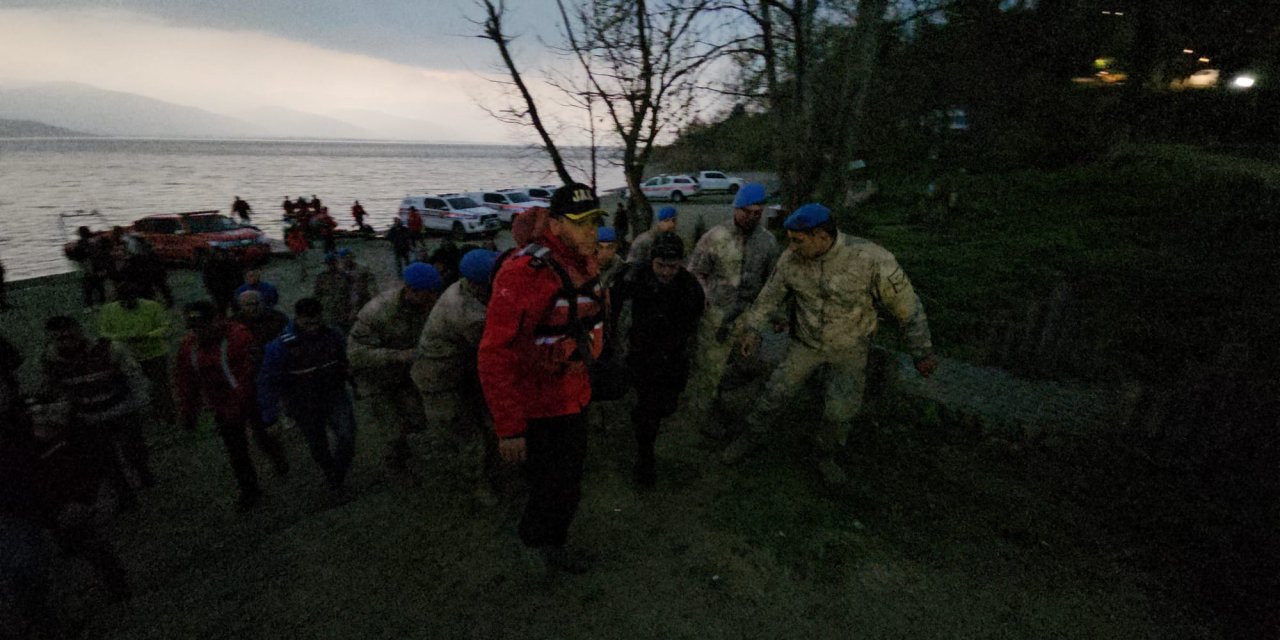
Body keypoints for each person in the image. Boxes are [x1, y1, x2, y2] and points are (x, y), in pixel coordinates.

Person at [722, 204, 938, 486]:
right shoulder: (791, 259)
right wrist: (751, 330)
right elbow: (768, 299)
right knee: (775, 392)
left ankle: (826, 455)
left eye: (798, 240)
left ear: (822, 236)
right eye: (790, 239)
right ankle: (749, 437)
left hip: (850, 348)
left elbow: (908, 309)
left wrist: (921, 352)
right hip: (806, 344)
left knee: (840, 410)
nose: (792, 247)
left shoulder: (871, 260)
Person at [478, 182, 607, 574]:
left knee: (567, 482)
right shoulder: (524, 275)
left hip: (574, 395)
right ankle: (538, 546)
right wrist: (510, 428)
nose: (592, 231)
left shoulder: (583, 261)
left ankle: (551, 540)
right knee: (552, 485)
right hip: (540, 406)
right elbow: (494, 354)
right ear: (555, 223)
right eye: (581, 223)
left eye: (595, 222)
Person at [610, 232, 704, 487]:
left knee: (667, 406)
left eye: (672, 267)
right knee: (648, 412)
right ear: (651, 261)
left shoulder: (689, 287)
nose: (665, 272)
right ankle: (645, 459)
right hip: (642, 354)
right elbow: (615, 314)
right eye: (660, 265)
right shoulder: (633, 278)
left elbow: (694, 325)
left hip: (672, 356)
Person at [174, 302, 289, 510]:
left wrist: (236, 403)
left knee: (262, 435)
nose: (199, 331)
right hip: (222, 404)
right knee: (236, 451)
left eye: (203, 325)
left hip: (251, 397)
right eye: (194, 327)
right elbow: (186, 381)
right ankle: (249, 489)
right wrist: (188, 411)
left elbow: (249, 373)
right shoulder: (189, 348)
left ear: (215, 321)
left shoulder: (239, 337)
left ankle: (277, 455)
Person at [684, 183, 779, 427]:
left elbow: (772, 283)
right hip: (716, 314)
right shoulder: (715, 237)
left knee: (748, 365)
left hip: (749, 317)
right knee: (709, 368)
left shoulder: (768, 242)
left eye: (757, 213)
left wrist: (775, 314)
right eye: (747, 211)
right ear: (736, 209)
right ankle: (703, 415)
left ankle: (721, 397)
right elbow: (695, 272)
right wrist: (702, 296)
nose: (752, 217)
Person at [39, 315, 152, 511]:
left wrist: (141, 401)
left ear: (79, 332)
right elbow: (54, 388)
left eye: (70, 335)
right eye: (60, 338)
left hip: (121, 409)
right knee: (106, 460)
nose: (66, 342)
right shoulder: (51, 360)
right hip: (89, 417)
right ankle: (125, 495)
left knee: (134, 450)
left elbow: (133, 374)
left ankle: (142, 470)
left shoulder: (108, 349)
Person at [410, 250, 499, 502]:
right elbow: (493, 351)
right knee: (468, 435)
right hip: (441, 380)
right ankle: (478, 483)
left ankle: (491, 469)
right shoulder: (467, 313)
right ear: (483, 283)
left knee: (488, 424)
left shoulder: (465, 287)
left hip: (463, 370)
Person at [347, 263, 443, 470]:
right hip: (375, 379)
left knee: (420, 418)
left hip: (405, 376)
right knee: (392, 430)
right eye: (428, 296)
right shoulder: (378, 311)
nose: (432, 301)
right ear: (411, 291)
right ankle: (396, 461)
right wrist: (400, 356)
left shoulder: (425, 305)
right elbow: (355, 354)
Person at [259, 298, 356, 492]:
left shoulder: (334, 335)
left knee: (347, 435)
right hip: (302, 401)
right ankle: (330, 472)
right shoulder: (280, 347)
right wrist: (269, 417)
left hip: (333, 394)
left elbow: (347, 360)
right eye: (307, 323)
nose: (312, 328)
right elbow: (267, 382)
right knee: (317, 442)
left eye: (316, 322)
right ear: (298, 318)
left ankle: (338, 472)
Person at [96, 281, 174, 426]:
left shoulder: (152, 307)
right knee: (134, 388)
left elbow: (164, 326)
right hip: (127, 357)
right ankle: (147, 415)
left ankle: (167, 415)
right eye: (123, 301)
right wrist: (125, 337)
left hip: (154, 354)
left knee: (160, 386)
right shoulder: (109, 310)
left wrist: (148, 336)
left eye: (130, 300)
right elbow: (104, 332)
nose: (127, 304)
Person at [231, 290, 289, 359]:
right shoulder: (234, 322)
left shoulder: (278, 318)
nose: (253, 308)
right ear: (241, 306)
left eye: (256, 304)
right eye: (248, 305)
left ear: (263, 303)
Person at [69, 226, 112, 309]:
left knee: (88, 289)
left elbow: (76, 256)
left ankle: (89, 307)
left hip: (90, 270)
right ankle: (103, 305)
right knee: (100, 288)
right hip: (101, 269)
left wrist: (71, 250)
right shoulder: (97, 241)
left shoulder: (81, 244)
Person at [313, 252, 353, 332]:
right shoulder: (321, 277)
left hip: (342, 311)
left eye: (333, 263)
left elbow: (351, 294)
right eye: (329, 264)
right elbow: (317, 294)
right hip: (327, 311)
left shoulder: (345, 277)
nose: (331, 266)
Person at [202, 248, 244, 316]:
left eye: (221, 255)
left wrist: (239, 287)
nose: (220, 256)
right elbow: (207, 279)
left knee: (236, 307)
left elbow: (239, 275)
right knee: (221, 309)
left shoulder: (231, 263)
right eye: (218, 255)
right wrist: (210, 290)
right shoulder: (209, 265)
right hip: (218, 291)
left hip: (232, 289)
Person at [339, 248, 378, 321]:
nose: (346, 260)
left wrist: (374, 296)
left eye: (348, 257)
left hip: (362, 298)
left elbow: (371, 282)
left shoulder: (362, 269)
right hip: (346, 302)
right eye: (344, 258)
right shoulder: (340, 272)